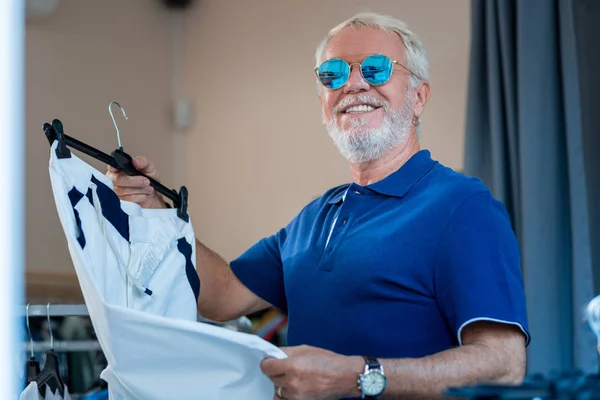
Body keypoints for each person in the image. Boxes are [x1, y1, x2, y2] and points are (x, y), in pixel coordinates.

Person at [107, 12, 530, 400]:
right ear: (323, 103)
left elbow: (503, 365)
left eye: (376, 68)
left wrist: (359, 377)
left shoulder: (462, 206)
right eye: (333, 74)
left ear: (418, 96)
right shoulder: (316, 217)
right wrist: (157, 209)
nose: (354, 84)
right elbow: (220, 296)